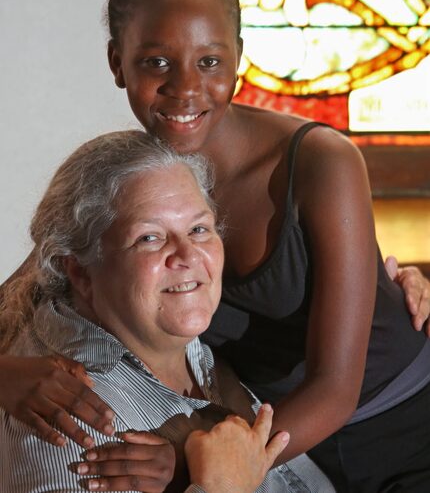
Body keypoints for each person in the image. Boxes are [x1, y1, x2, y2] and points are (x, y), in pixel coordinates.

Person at [1, 0, 430, 490]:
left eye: (209, 61)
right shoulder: (130, 185)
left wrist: (189, 466)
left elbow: (335, 387)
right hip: (280, 450)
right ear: (117, 63)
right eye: (156, 62)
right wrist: (5, 377)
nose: (185, 90)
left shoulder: (323, 162)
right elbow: (20, 296)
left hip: (399, 430)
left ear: (240, 59)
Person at [0, 129, 336, 493]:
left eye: (199, 229)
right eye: (149, 237)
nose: (189, 255)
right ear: (81, 272)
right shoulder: (67, 421)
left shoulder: (176, 332)